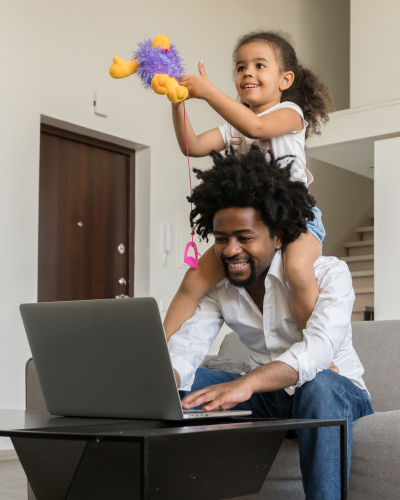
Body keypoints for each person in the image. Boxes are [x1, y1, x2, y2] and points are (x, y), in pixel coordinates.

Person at [168, 146, 374, 500]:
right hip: (271, 400)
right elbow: (186, 347)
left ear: (277, 237)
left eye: (244, 238)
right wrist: (162, 380)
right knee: (179, 389)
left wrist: (247, 383)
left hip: (338, 395)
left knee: (319, 386)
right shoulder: (221, 289)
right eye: (221, 240)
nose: (230, 250)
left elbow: (317, 353)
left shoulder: (330, 275)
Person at [164, 30, 332, 340]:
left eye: (259, 65)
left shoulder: (290, 114)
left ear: (285, 80)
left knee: (296, 270)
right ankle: (156, 352)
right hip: (252, 226)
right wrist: (179, 104)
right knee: (195, 279)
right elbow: (192, 145)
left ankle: (319, 351)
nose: (247, 72)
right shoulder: (234, 127)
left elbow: (256, 125)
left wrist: (209, 92)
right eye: (241, 67)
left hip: (296, 221)